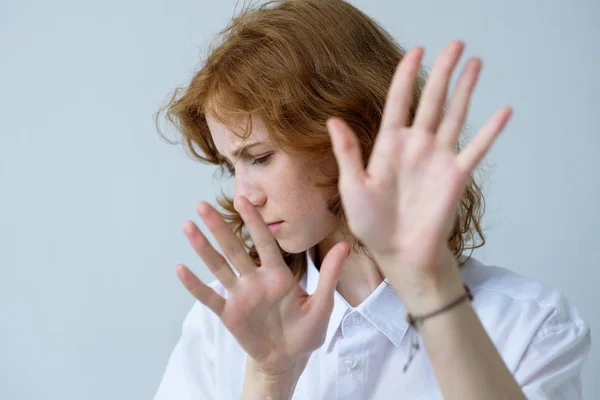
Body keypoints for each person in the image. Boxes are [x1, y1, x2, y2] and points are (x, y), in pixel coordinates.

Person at [152, 0, 591, 398]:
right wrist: (269, 379)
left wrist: (431, 291)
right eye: (233, 166)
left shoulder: (528, 325)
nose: (244, 195)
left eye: (261, 157)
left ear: (351, 132)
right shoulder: (226, 323)